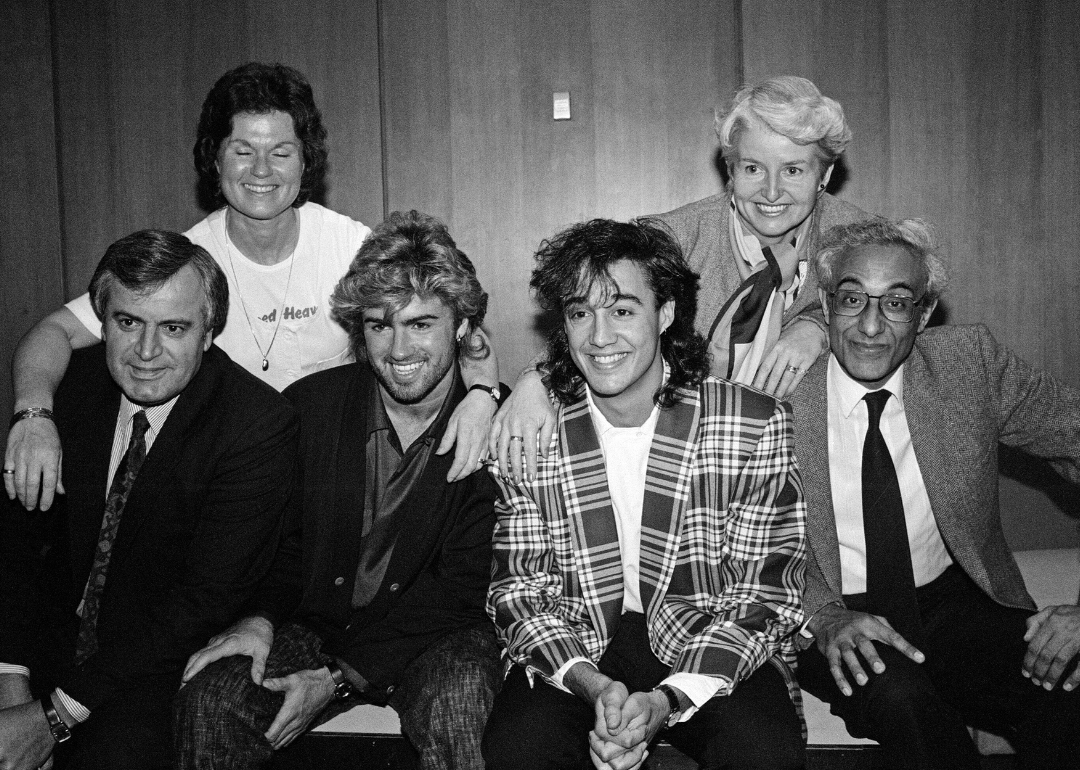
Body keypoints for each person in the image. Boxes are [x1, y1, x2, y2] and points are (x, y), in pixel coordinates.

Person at [5, 62, 498, 513]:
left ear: (306, 163)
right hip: (224, 488)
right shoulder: (183, 267)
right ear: (214, 161)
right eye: (243, 151)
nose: (262, 171)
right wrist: (33, 416)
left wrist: (483, 396)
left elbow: (457, 327)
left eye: (280, 152)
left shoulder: (353, 246)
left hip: (332, 487)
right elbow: (52, 332)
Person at [174, 211, 505, 770]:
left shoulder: (497, 425)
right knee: (211, 700)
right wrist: (258, 618)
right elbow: (277, 545)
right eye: (379, 325)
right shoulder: (310, 408)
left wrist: (336, 679)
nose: (399, 349)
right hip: (319, 623)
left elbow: (463, 589)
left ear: (464, 327)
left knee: (459, 705)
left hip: (438, 632)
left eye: (421, 324)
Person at [482, 218, 806, 770]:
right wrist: (590, 684)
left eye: (624, 310)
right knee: (517, 751)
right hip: (577, 638)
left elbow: (764, 593)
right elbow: (517, 591)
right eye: (581, 313)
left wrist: (669, 698)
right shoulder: (532, 430)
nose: (600, 337)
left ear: (667, 314)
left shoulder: (750, 423)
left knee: (764, 754)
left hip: (706, 631)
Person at [789, 218, 1080, 769]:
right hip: (834, 611)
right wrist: (823, 618)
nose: (870, 327)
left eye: (896, 304)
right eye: (852, 299)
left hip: (953, 600)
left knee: (1065, 690)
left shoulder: (969, 365)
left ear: (923, 315)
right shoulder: (776, 393)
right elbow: (732, 535)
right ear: (824, 306)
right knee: (909, 708)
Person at [0, 230, 296, 769]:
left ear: (208, 333)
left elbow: (198, 602)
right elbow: (16, 551)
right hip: (41, 652)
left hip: (152, 668)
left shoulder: (255, 424)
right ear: (101, 322)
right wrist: (11, 681)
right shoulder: (64, 394)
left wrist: (52, 717)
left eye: (174, 328)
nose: (146, 352)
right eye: (128, 323)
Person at [491, 75, 872, 482]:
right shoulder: (670, 238)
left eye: (793, 170)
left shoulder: (865, 244)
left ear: (825, 176)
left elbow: (900, 326)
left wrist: (819, 325)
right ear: (730, 170)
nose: (772, 191)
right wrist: (532, 380)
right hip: (683, 457)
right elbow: (595, 312)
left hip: (819, 460)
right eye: (753, 168)